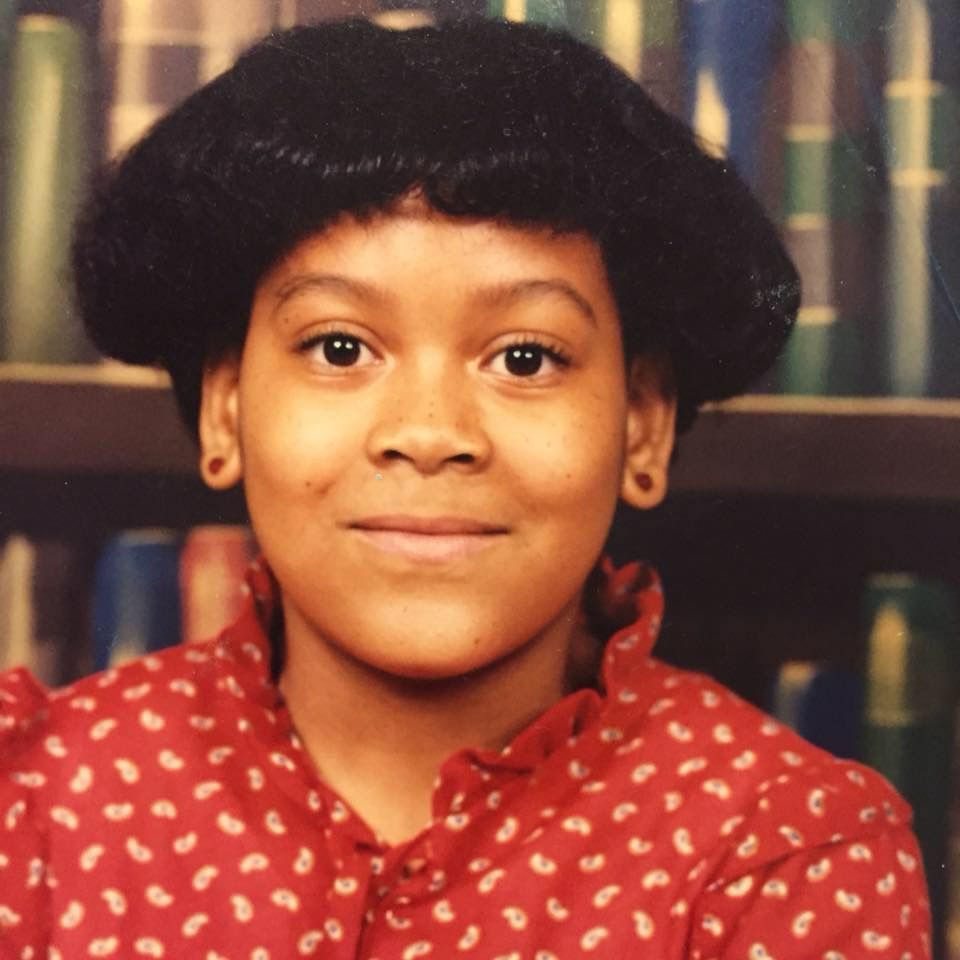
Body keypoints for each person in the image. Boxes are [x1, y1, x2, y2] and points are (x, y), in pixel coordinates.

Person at [0, 16, 930, 959]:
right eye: (339, 347)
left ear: (641, 423)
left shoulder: (786, 854)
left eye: (525, 357)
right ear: (223, 409)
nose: (431, 434)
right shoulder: (25, 808)